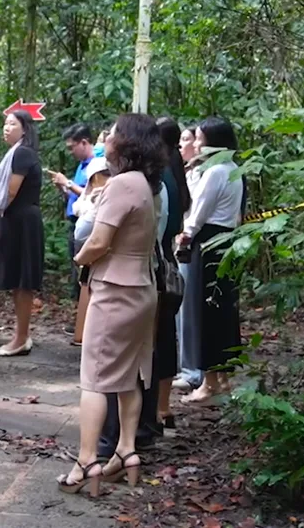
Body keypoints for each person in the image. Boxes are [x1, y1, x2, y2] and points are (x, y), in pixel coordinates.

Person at [60, 113, 165, 496]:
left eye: (114, 134)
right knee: (127, 377)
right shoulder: (149, 186)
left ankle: (87, 459)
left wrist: (79, 259)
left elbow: (101, 241)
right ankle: (126, 450)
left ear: (128, 143)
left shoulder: (123, 184)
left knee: (95, 377)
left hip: (114, 289)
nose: (109, 139)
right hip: (142, 288)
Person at [178, 117, 245, 405]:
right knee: (223, 311)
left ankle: (208, 382)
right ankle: (224, 377)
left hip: (208, 243)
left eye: (201, 139)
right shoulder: (233, 169)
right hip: (226, 241)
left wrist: (185, 235)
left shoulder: (216, 171)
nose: (197, 144)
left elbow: (199, 212)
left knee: (207, 313)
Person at [0, 110, 45, 357]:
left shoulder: (22, 153)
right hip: (14, 220)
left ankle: (21, 337)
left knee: (23, 282)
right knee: (17, 281)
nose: (6, 128)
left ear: (25, 129)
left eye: (12, 124)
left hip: (22, 222)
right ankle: (21, 334)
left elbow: (9, 192)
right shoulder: (15, 154)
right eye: (5, 124)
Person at [153, 117, 192, 428]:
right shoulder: (176, 172)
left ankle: (155, 408)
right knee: (167, 333)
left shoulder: (159, 175)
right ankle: (163, 407)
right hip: (170, 260)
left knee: (157, 334)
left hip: (157, 262)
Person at [52, 124, 97, 309]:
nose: (71, 152)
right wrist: (64, 189)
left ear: (84, 142)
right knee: (76, 271)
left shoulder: (97, 165)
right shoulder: (81, 166)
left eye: (72, 147)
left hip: (87, 222)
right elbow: (78, 195)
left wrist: (68, 183)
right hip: (75, 221)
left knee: (84, 271)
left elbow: (93, 194)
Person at [70, 155, 112, 345]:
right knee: (86, 290)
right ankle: (84, 336)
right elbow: (77, 207)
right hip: (88, 251)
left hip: (99, 254)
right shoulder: (92, 193)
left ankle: (91, 339)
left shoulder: (110, 193)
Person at [174, 125, 203, 391]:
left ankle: (192, 369)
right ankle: (186, 366)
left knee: (189, 308)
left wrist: (185, 234)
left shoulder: (204, 174)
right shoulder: (187, 173)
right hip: (183, 244)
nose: (182, 146)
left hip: (192, 245)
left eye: (187, 140)